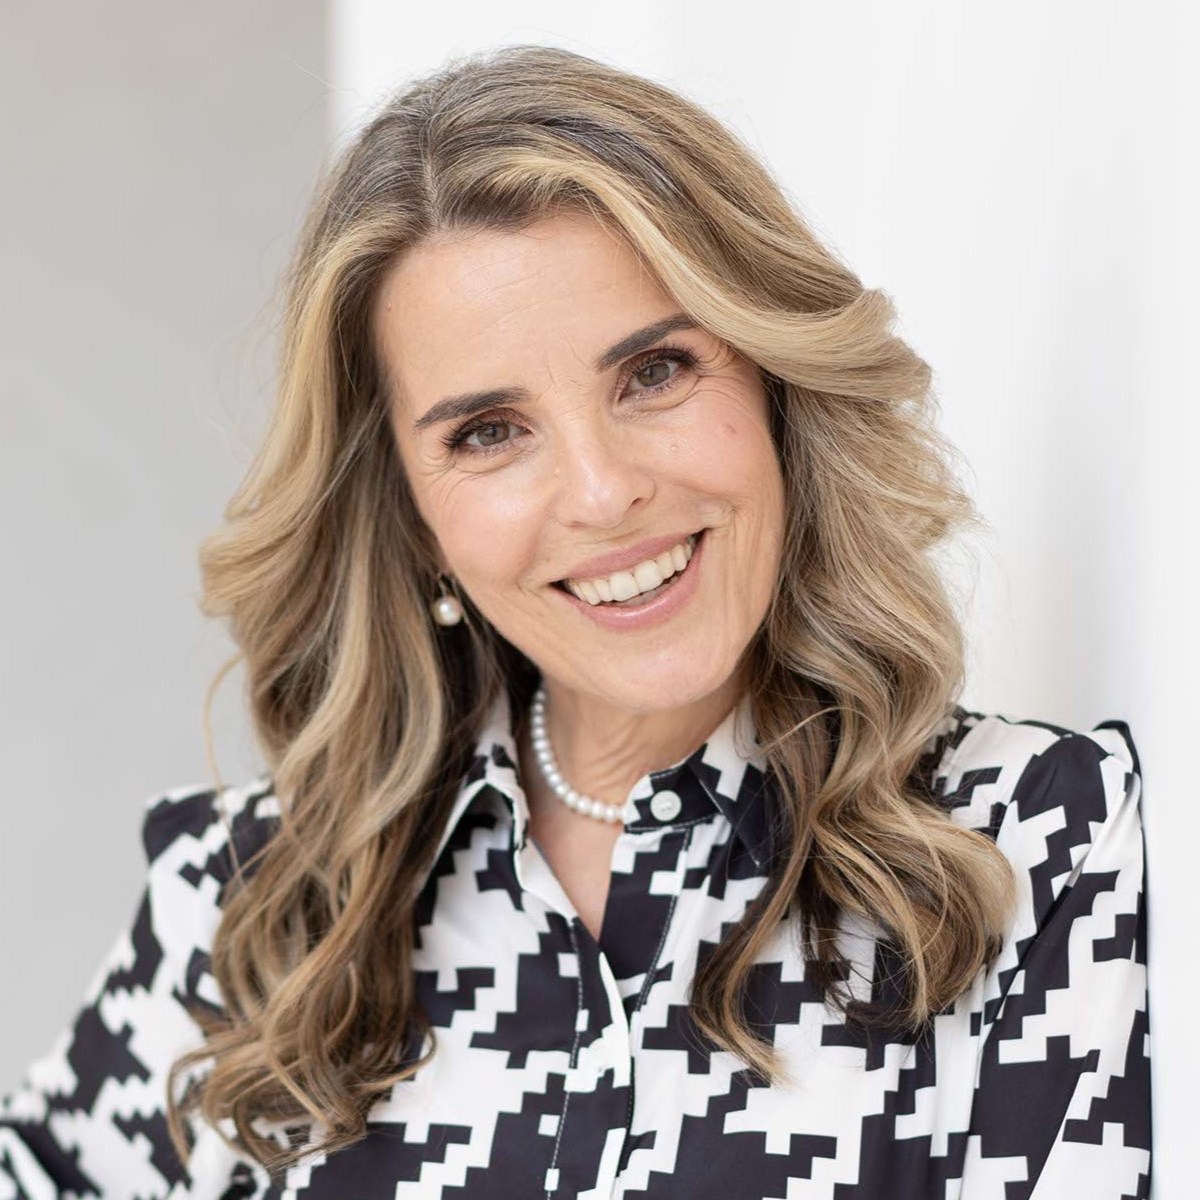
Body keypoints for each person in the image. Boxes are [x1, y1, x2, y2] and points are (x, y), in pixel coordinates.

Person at [0, 43, 1150, 1200]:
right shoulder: (252, 905)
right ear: (410, 517)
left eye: (654, 372)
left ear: (774, 380)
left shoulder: (1033, 848)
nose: (602, 494)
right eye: (488, 433)